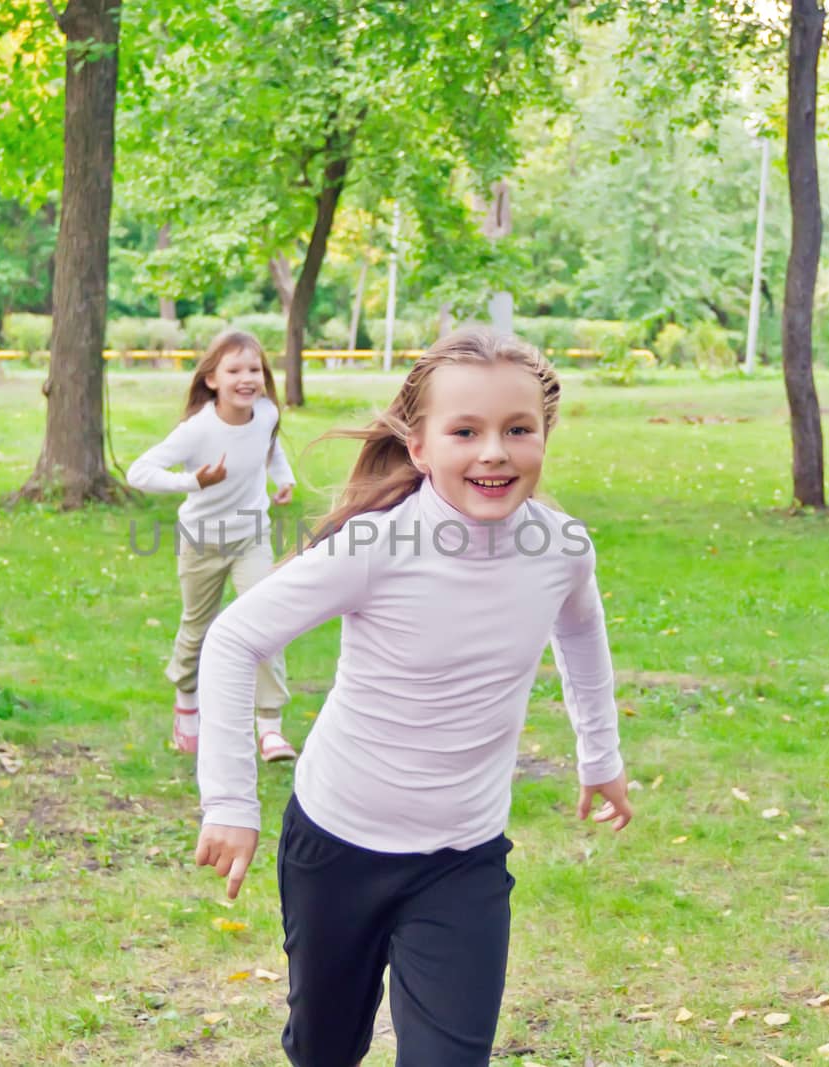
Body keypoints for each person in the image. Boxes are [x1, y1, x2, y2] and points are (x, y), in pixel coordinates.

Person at [192, 327, 633, 1066]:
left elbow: (583, 635)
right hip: (336, 845)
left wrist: (602, 754)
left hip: (463, 857)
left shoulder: (561, 548)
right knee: (324, 1048)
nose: (494, 451)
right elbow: (234, 639)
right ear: (421, 447)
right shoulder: (374, 547)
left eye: (517, 430)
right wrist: (231, 802)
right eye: (466, 430)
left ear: (543, 437)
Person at [128, 329, 299, 762]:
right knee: (196, 628)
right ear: (212, 380)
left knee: (267, 620)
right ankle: (187, 700)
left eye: (255, 369)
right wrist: (193, 482)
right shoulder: (197, 430)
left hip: (251, 538)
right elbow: (139, 472)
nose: (247, 378)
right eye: (235, 370)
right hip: (201, 542)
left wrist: (284, 477)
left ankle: (270, 726)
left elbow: (270, 444)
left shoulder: (265, 413)